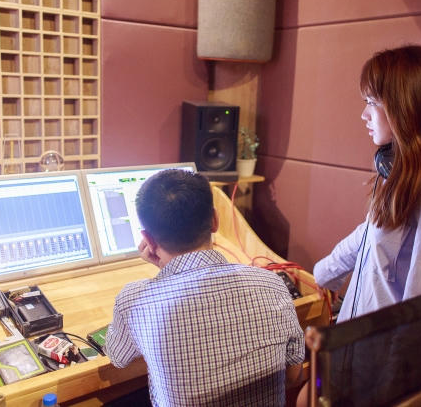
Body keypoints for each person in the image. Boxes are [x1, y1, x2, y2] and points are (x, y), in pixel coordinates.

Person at [297, 45, 421, 407]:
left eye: (372, 102)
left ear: (407, 107)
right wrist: (322, 274)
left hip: (392, 370)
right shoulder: (411, 169)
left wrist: (391, 387)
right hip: (364, 351)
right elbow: (371, 232)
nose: (364, 114)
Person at [106, 169, 305, 407]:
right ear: (214, 220)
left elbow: (118, 358)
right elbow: (293, 376)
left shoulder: (135, 301)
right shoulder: (272, 284)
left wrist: (167, 272)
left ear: (147, 239)